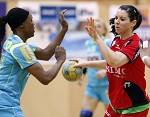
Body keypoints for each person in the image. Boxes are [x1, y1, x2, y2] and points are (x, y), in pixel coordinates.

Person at [74, 5, 150, 117]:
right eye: (116, 18)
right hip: (116, 103)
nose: (117, 22)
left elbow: (115, 61)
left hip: (134, 105)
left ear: (133, 23)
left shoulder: (135, 42)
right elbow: (110, 63)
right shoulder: (116, 40)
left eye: (122, 19)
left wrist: (96, 38)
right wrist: (85, 63)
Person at [0, 7, 68, 116]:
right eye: (31, 20)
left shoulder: (13, 41)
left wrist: (63, 29)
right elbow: (45, 78)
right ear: (22, 25)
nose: (34, 24)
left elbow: (46, 53)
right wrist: (60, 61)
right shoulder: (20, 48)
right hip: (6, 105)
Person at [79, 19, 111, 117]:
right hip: (92, 86)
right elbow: (88, 62)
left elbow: (116, 62)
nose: (96, 28)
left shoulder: (108, 43)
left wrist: (105, 71)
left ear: (105, 30)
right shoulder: (88, 43)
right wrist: (82, 75)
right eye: (95, 26)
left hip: (107, 86)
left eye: (99, 26)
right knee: (84, 114)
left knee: (111, 115)